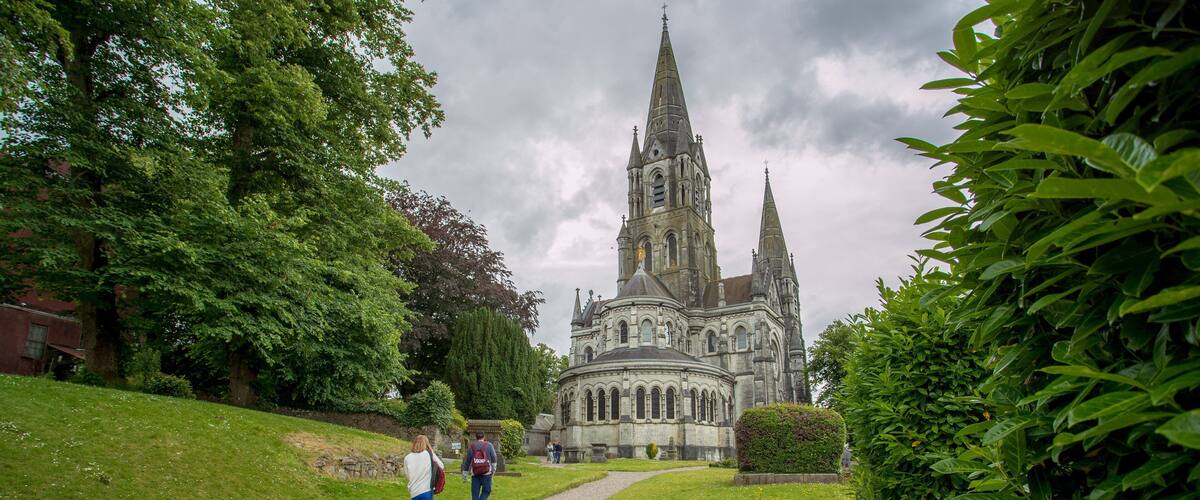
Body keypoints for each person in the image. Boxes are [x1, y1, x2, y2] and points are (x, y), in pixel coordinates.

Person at [403, 435, 444, 500]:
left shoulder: (407, 457)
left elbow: (407, 474)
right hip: (426, 490)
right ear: (426, 444)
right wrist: (432, 451)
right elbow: (441, 465)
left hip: (414, 491)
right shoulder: (428, 454)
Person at [460, 432, 497, 500]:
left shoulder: (472, 446)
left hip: (475, 472)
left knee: (475, 493)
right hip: (486, 473)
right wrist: (493, 470)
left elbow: (467, 461)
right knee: (486, 491)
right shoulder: (489, 445)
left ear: (476, 437)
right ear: (484, 437)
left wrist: (465, 474)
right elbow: (494, 458)